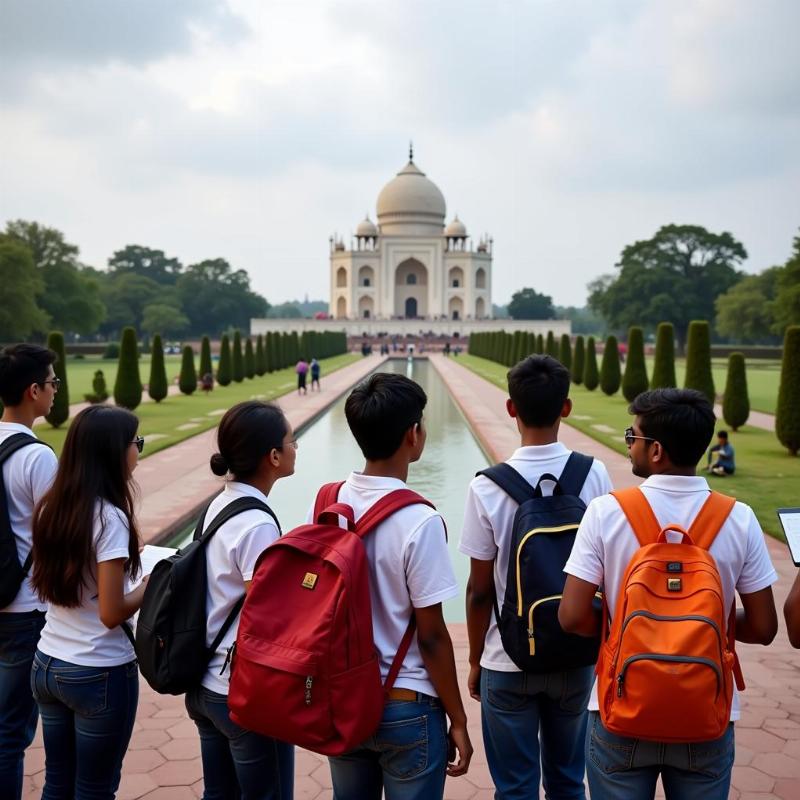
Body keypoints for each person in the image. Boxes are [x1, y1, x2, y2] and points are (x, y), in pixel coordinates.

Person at [559, 388, 778, 800]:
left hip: (621, 703)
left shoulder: (607, 512)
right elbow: (765, 627)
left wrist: (625, 630)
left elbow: (571, 616)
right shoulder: (739, 517)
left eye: (633, 436)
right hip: (704, 709)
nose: (628, 444)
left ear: (656, 450)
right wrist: (705, 626)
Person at [459, 355, 612, 799]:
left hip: (506, 655)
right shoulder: (594, 474)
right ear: (566, 407)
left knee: (515, 789)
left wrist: (474, 661)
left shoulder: (487, 485)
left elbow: (478, 590)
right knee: (568, 781)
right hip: (574, 650)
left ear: (511, 408)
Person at [322, 373, 472, 799]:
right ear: (413, 434)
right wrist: (457, 719)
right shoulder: (418, 520)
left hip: (345, 698)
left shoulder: (330, 502)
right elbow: (432, 636)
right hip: (406, 703)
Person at [30, 405, 148, 798]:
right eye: (136, 443)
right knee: (95, 790)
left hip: (48, 661)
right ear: (113, 451)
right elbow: (111, 613)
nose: (138, 451)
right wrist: (150, 583)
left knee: (57, 783)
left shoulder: (51, 506)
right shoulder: (108, 517)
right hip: (96, 669)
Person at [187, 401, 296, 799]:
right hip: (241, 693)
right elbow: (268, 618)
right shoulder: (257, 523)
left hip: (204, 683)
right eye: (291, 441)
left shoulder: (222, 502)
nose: (295, 448)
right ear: (273, 456)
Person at [0, 344, 59, 800]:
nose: (56, 390)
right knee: (10, 733)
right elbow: (58, 536)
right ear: (32, 390)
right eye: (52, 383)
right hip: (22, 608)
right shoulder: (37, 456)